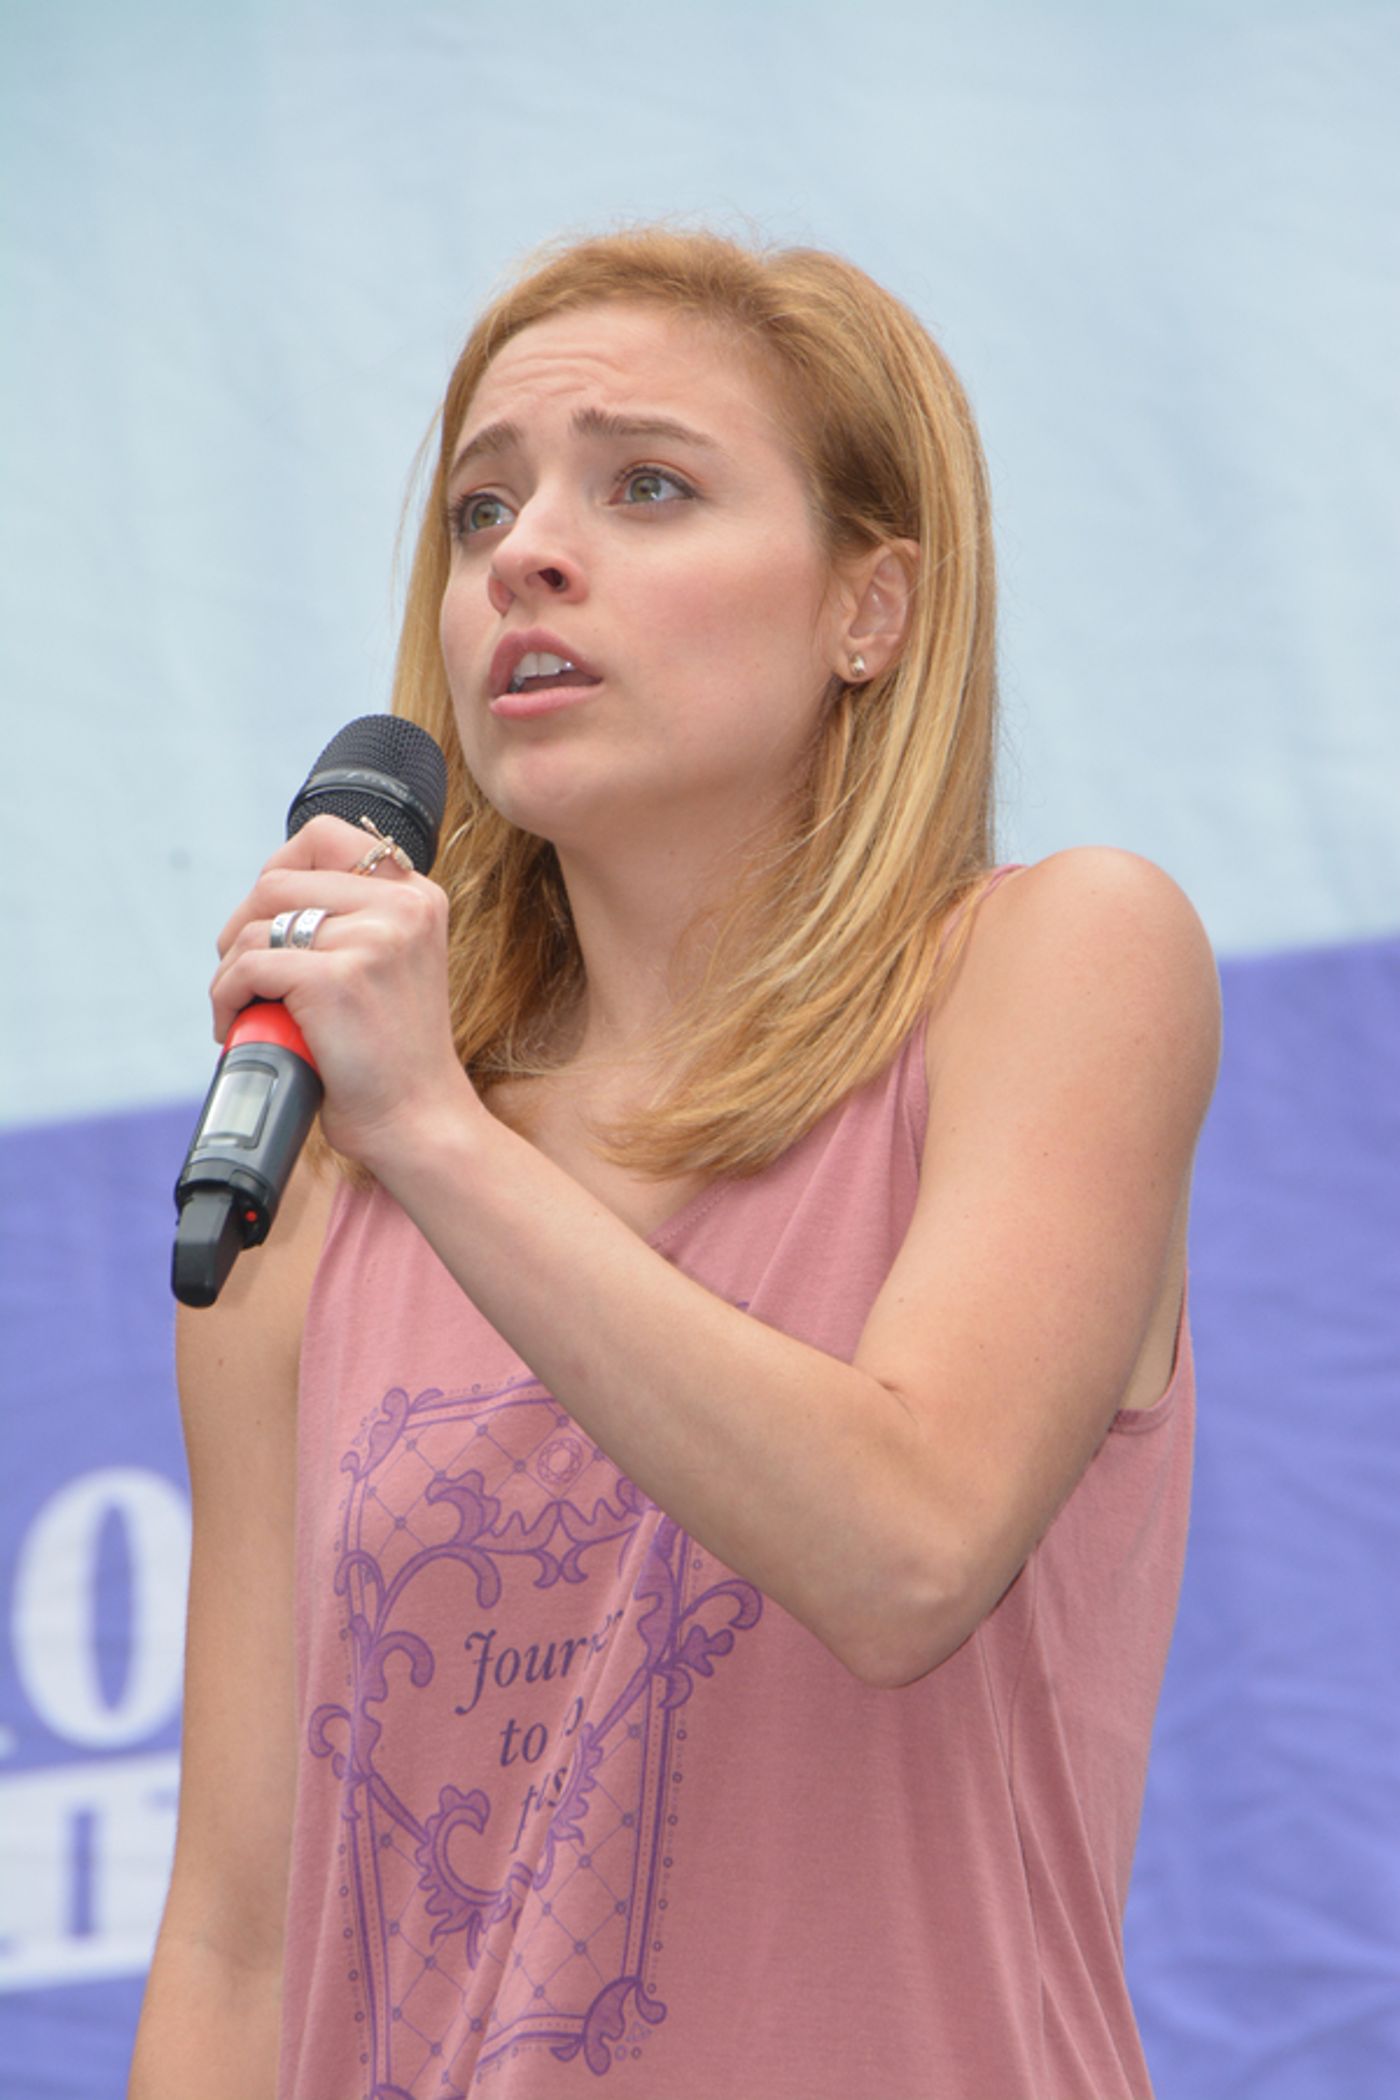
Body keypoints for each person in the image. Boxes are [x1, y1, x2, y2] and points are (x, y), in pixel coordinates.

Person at [129, 224, 1220, 2100]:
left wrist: (439, 1136)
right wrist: (412, 1126)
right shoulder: (311, 1173)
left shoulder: (1061, 964)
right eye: (483, 511)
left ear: (869, 609)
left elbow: (904, 1549)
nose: (528, 554)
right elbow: (241, 1928)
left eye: (647, 485)